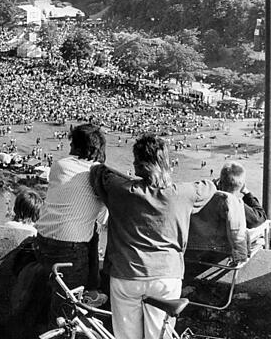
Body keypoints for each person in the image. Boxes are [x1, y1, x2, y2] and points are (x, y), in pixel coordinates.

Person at [90, 134, 218, 339]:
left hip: (126, 274)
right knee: (160, 335)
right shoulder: (183, 193)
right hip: (166, 276)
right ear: (166, 162)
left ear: (137, 164)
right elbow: (210, 186)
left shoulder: (121, 189)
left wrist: (131, 178)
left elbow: (99, 171)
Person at [31, 123, 108, 323]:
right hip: (69, 250)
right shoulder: (98, 174)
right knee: (64, 313)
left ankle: (89, 291)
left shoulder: (59, 165)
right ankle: (89, 293)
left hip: (42, 243)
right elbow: (103, 219)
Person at [214, 162, 267, 230]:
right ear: (242, 185)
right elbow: (260, 217)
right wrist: (247, 193)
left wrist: (213, 188)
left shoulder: (208, 200)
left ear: (220, 183)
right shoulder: (237, 206)